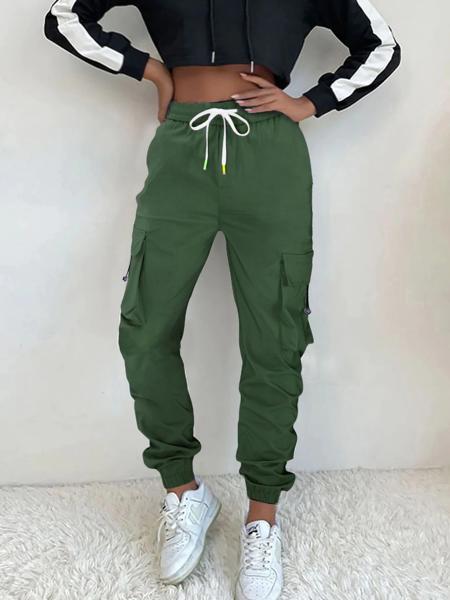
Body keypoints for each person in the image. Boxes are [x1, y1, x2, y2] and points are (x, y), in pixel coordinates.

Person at [43, 1, 400, 598]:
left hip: (269, 156)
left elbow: (381, 46)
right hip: (181, 150)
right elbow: (65, 17)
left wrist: (312, 102)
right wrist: (153, 72)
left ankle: (263, 517)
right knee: (145, 327)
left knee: (275, 336)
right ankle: (183, 490)